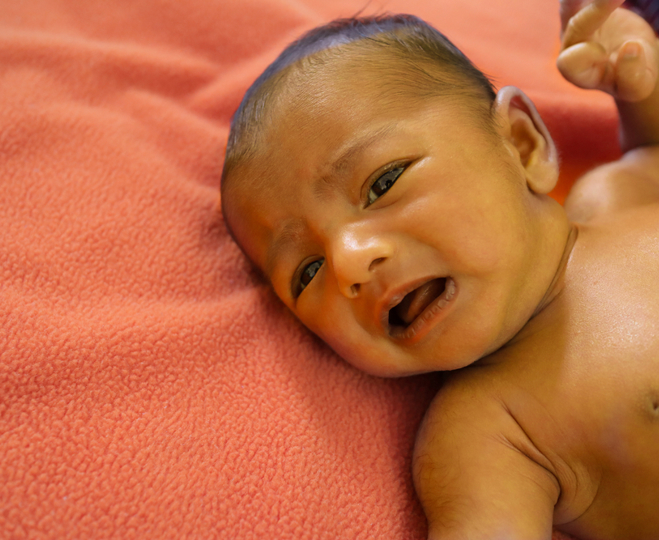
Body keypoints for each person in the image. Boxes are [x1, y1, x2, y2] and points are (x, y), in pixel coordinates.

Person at [220, 0, 659, 537]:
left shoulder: (616, 197)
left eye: (382, 184)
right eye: (307, 272)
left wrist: (637, 80)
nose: (348, 260)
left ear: (521, 144)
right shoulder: (489, 430)